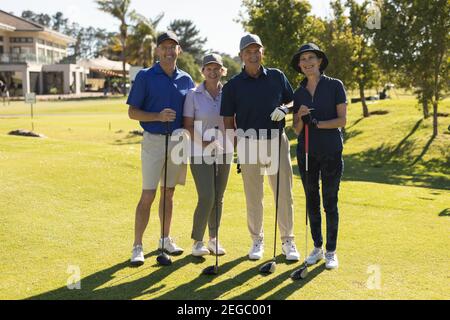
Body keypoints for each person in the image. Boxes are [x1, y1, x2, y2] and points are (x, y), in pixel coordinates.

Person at [221, 34, 300, 261]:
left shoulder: (277, 76)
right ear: (241, 56)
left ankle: (288, 240)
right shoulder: (233, 85)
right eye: (248, 52)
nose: (253, 55)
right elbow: (228, 121)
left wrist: (285, 108)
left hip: (276, 140)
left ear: (262, 52)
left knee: (283, 192)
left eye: (257, 51)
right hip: (247, 143)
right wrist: (236, 148)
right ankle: (257, 240)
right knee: (253, 196)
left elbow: (294, 100)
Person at [127, 31, 195, 266]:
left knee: (169, 192)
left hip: (177, 141)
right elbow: (132, 112)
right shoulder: (146, 76)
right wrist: (157, 115)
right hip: (154, 141)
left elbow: (192, 111)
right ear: (157, 51)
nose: (168, 51)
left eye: (172, 47)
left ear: (179, 50)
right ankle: (137, 245)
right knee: (149, 194)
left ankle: (165, 239)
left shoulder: (187, 79)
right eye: (164, 47)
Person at [291, 43, 347, 269]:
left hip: (331, 152)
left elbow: (342, 121)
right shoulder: (299, 93)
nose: (307, 62)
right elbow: (296, 129)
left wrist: (317, 123)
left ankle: (331, 251)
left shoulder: (335, 86)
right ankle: (317, 246)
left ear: (320, 61)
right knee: (312, 200)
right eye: (303, 60)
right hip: (306, 153)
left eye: (311, 58)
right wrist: (300, 116)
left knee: (329, 201)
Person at [183, 53, 232, 257]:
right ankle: (197, 241)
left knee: (218, 197)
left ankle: (213, 239)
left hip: (224, 150)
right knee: (207, 195)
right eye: (208, 68)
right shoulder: (193, 94)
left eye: (216, 68)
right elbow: (187, 125)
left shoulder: (228, 93)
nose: (212, 72)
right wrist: (205, 143)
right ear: (202, 71)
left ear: (222, 71)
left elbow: (232, 121)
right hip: (198, 151)